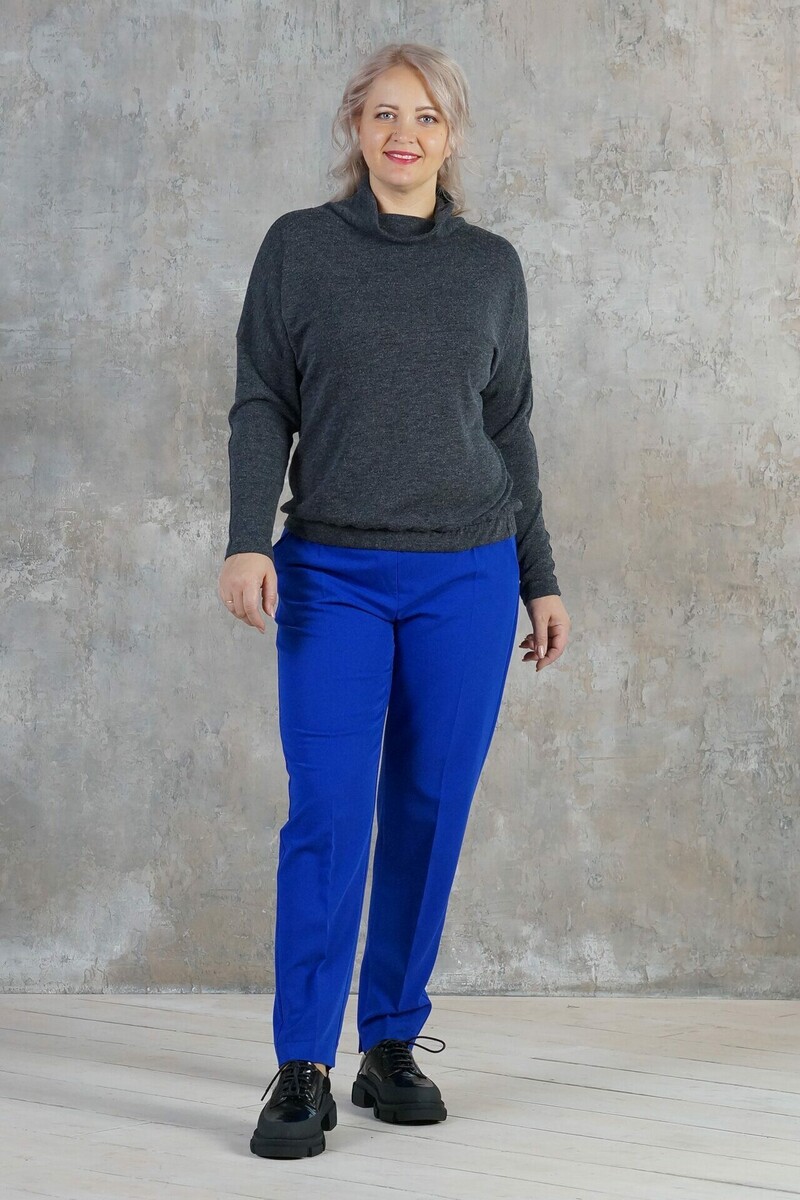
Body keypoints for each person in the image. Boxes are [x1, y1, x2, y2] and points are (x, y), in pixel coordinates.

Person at [218, 42, 571, 1160]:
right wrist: (245, 537)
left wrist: (539, 575)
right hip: (333, 574)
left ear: (449, 135)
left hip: (468, 574)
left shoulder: (490, 267)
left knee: (428, 807)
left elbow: (508, 428)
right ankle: (301, 1064)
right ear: (354, 128)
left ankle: (389, 1043)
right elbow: (261, 403)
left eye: (424, 116)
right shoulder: (299, 249)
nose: (402, 133)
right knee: (328, 813)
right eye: (382, 114)